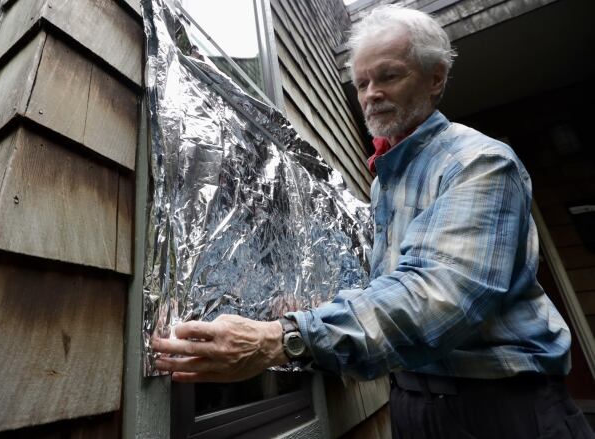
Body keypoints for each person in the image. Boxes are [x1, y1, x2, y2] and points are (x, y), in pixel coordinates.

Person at [153, 5, 594, 438]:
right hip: (412, 403)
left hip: (498, 406)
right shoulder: (386, 183)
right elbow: (386, 284)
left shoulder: (478, 163)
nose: (370, 94)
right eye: (362, 82)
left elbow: (438, 296)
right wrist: (307, 312)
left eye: (388, 76)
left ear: (435, 77)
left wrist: (281, 338)